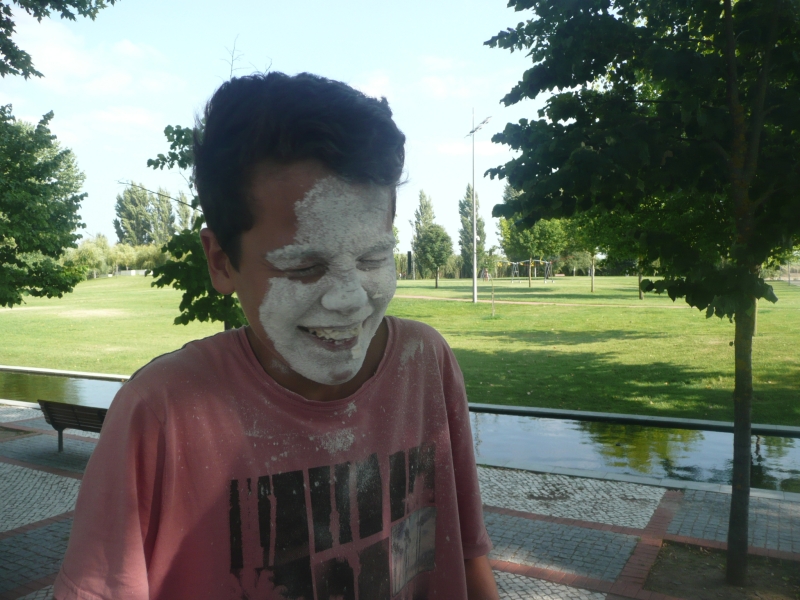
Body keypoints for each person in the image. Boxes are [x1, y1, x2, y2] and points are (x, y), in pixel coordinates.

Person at [54, 72, 498, 600]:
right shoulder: (159, 414)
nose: (349, 298)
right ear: (221, 262)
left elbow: (467, 556)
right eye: (303, 267)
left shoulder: (425, 364)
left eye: (374, 258)